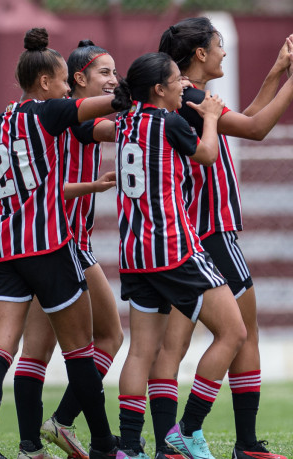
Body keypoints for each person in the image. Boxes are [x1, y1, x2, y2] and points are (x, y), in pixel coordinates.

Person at [150, 17, 293, 459]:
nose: (224, 52)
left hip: (190, 233)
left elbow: (241, 119)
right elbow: (256, 128)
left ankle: (170, 442)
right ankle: (226, 440)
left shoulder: (184, 96)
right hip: (212, 233)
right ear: (200, 53)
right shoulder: (191, 97)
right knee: (243, 333)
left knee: (175, 344)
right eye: (219, 45)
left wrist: (275, 74)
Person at [0, 28, 121, 459]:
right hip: (48, 243)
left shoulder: (3, 118)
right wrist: (156, 85)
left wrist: (91, 185)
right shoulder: (50, 112)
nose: (63, 89)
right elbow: (116, 104)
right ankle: (104, 445)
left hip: (2, 242)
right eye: (61, 81)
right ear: (46, 83)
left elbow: (41, 183)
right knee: (81, 349)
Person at [107, 51, 245, 459]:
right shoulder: (167, 122)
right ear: (158, 89)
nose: (184, 85)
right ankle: (186, 430)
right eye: (176, 81)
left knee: (140, 351)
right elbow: (207, 155)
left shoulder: (125, 122)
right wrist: (213, 116)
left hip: (134, 253)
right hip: (174, 248)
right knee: (233, 332)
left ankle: (129, 449)